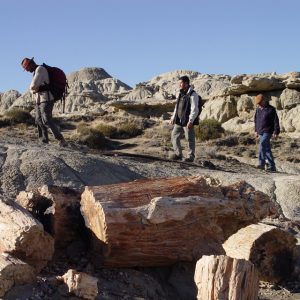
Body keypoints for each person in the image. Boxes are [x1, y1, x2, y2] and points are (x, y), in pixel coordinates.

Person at [21, 57, 67, 146]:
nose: (26, 70)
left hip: (46, 98)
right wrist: (34, 89)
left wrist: (33, 89)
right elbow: (33, 88)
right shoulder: (35, 72)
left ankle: (61, 139)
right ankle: (43, 140)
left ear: (30, 64)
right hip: (39, 99)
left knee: (46, 119)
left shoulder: (40, 69)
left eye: (26, 68)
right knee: (38, 120)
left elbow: (33, 86)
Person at [169, 75, 200, 162]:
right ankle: (178, 154)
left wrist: (191, 121)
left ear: (186, 84)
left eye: (181, 83)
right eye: (179, 83)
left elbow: (195, 109)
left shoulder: (193, 94)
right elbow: (177, 107)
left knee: (190, 138)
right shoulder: (180, 93)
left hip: (187, 121)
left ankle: (190, 157)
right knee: (174, 136)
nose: (179, 85)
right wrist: (173, 117)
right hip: (178, 120)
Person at [254, 94, 280, 172]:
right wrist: (256, 130)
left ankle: (261, 164)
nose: (259, 105)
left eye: (260, 103)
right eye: (258, 103)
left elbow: (276, 121)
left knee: (262, 144)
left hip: (268, 131)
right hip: (260, 131)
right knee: (267, 149)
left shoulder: (271, 109)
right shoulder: (258, 109)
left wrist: (276, 131)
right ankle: (272, 167)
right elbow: (256, 120)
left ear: (264, 101)